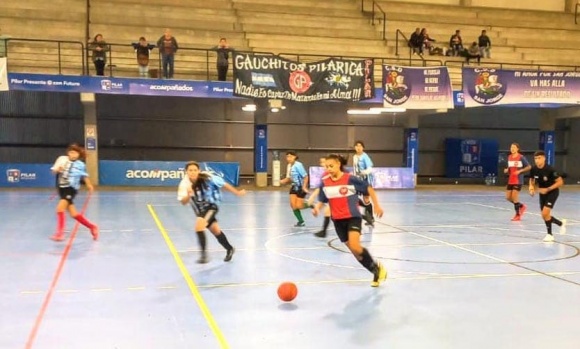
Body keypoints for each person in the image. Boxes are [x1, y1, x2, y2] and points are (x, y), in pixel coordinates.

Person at [312, 154, 386, 287]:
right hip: (338, 221)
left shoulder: (349, 179)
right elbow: (323, 199)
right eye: (326, 166)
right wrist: (317, 208)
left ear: (338, 164)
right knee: (355, 253)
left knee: (355, 246)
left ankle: (377, 270)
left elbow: (368, 188)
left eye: (331, 165)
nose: (328, 168)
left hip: (353, 217)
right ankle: (375, 270)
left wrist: (377, 205)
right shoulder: (325, 182)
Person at [177, 161, 246, 263]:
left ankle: (204, 256)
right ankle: (229, 248)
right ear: (186, 172)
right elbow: (183, 202)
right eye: (190, 170)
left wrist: (237, 192)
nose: (192, 172)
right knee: (216, 231)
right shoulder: (184, 184)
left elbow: (224, 184)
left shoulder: (207, 178)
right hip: (200, 210)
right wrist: (188, 194)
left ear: (199, 171)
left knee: (199, 227)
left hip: (212, 206)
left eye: (195, 170)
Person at [50, 144, 98, 241]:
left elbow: (84, 175)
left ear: (78, 155)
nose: (73, 155)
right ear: (68, 153)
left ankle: (60, 233)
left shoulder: (80, 164)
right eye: (71, 152)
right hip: (61, 188)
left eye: (75, 153)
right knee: (74, 214)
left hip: (71, 189)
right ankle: (92, 227)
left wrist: (89, 185)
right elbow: (54, 171)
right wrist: (57, 170)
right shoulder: (62, 159)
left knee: (59, 209)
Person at [528, 151, 567, 242]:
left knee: (545, 213)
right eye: (535, 158)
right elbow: (532, 179)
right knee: (544, 215)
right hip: (542, 193)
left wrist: (548, 189)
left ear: (544, 158)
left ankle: (550, 234)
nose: (537, 160)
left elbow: (560, 182)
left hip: (552, 192)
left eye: (539, 158)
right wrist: (531, 187)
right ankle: (560, 223)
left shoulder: (550, 170)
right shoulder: (533, 169)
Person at [280, 151, 310, 227]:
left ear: (295, 157)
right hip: (294, 187)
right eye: (287, 156)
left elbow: (306, 177)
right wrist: (283, 181)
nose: (288, 158)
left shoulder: (298, 165)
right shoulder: (289, 166)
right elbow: (289, 178)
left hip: (300, 187)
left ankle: (311, 204)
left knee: (299, 206)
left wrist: (304, 187)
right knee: (293, 205)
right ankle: (301, 221)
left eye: (290, 156)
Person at [504, 143, 531, 221]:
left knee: (515, 197)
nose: (512, 149)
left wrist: (520, 171)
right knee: (508, 198)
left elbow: (529, 167)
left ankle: (517, 215)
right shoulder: (509, 157)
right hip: (511, 180)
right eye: (511, 147)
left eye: (514, 147)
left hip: (518, 180)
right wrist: (507, 170)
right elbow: (510, 168)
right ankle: (521, 206)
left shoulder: (521, 157)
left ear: (517, 149)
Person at [307, 156, 333, 238]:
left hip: (335, 196)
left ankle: (324, 232)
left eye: (324, 162)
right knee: (323, 212)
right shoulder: (324, 175)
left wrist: (313, 197)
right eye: (321, 162)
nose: (322, 165)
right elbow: (320, 188)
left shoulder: (332, 173)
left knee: (328, 212)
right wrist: (313, 199)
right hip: (328, 197)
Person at [352, 141, 374, 226]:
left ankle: (370, 218)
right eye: (356, 146)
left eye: (360, 146)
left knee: (366, 199)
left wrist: (362, 173)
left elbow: (370, 169)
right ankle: (363, 215)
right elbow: (354, 168)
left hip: (366, 180)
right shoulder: (354, 157)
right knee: (354, 196)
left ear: (363, 147)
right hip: (358, 180)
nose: (358, 147)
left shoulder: (365, 157)